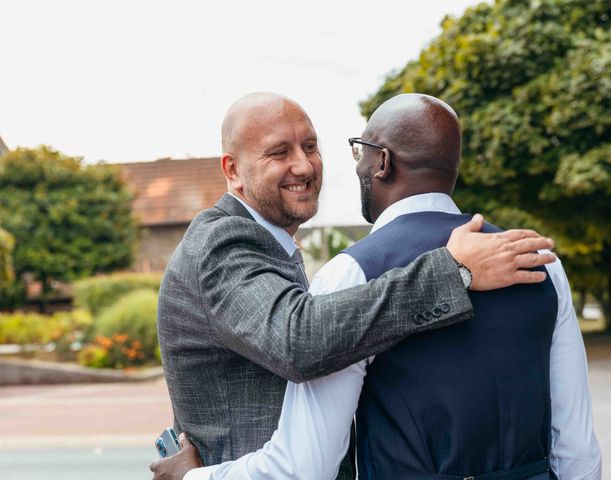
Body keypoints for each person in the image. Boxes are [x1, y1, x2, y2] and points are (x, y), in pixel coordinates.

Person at [151, 92, 557, 480]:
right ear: (233, 170)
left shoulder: (269, 246)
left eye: (310, 147)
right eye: (279, 152)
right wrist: (454, 271)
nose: (305, 166)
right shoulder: (222, 243)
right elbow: (299, 339)